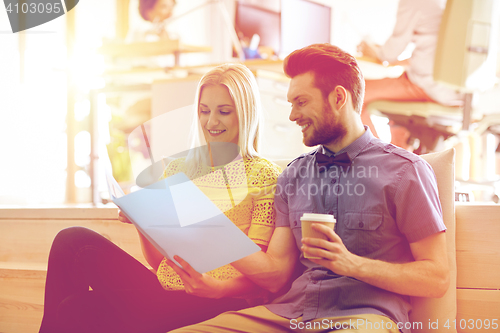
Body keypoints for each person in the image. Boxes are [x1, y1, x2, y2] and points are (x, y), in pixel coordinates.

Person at [169, 43, 449, 333]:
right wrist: (209, 223)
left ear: (338, 97)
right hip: (289, 315)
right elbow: (276, 274)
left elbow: (436, 278)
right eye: (291, 103)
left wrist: (351, 264)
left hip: (364, 318)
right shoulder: (294, 174)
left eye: (301, 102)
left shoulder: (406, 171)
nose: (292, 115)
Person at [38, 63, 282, 333]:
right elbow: (159, 262)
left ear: (245, 114)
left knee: (77, 261)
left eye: (224, 111)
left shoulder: (264, 176)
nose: (211, 122)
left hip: (218, 300)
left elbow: (261, 272)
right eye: (204, 111)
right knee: (73, 296)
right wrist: (142, 222)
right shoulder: (179, 169)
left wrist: (218, 289)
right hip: (165, 291)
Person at [357, 0, 462, 151]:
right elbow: (436, 51)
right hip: (457, 93)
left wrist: (376, 51)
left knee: (353, 94)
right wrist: (394, 60)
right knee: (397, 118)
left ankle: (380, 159)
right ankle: (398, 165)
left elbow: (391, 53)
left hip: (426, 87)